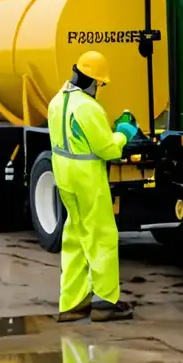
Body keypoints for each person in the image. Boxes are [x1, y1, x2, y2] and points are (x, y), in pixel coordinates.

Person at [48, 50, 137, 323]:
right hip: (87, 179)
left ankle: (72, 303)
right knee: (102, 237)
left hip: (64, 177)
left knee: (74, 238)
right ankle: (105, 303)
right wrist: (124, 132)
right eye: (99, 83)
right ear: (91, 81)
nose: (99, 88)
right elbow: (108, 149)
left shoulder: (57, 101)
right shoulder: (87, 107)